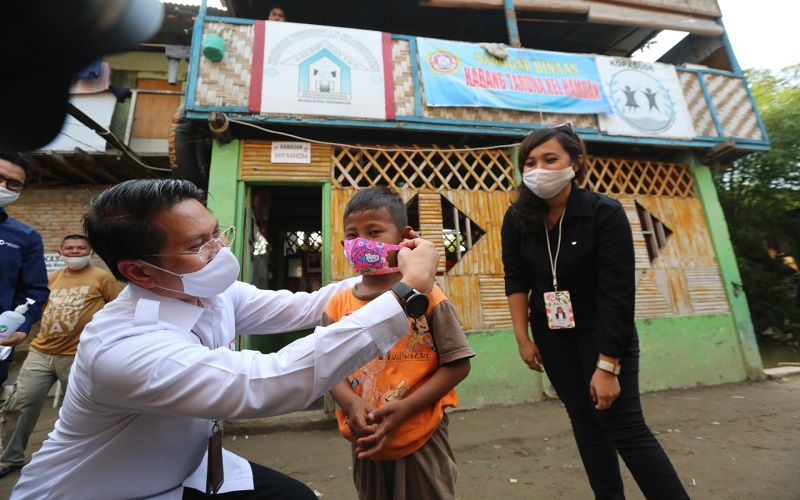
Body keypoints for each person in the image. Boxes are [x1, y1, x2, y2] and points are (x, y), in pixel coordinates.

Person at [10, 178, 438, 499]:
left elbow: (303, 306)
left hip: (184, 469)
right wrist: (408, 292)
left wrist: (387, 271)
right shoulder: (123, 347)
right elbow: (267, 381)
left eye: (216, 232)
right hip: (98, 491)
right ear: (138, 271)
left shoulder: (209, 293)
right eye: (199, 244)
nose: (219, 249)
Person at [501, 124, 689, 499]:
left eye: (550, 159)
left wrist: (608, 365)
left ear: (576, 163)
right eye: (530, 162)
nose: (539, 168)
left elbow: (617, 294)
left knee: (623, 426)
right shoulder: (518, 218)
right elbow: (516, 279)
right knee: (585, 424)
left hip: (601, 331)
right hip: (551, 333)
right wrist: (523, 338)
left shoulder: (604, 212)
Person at [325, 186, 474, 500]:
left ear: (403, 237)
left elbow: (458, 364)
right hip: (364, 440)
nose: (360, 242)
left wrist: (406, 408)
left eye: (374, 231)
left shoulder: (428, 296)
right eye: (351, 235)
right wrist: (351, 404)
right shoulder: (336, 306)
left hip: (422, 433)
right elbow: (328, 369)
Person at [0, 234, 123, 478]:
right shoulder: (49, 280)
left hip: (78, 355)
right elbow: (33, 311)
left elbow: (120, 309)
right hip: (41, 351)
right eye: (70, 248)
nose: (75, 251)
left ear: (91, 253)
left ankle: (81, 460)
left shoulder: (102, 278)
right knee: (20, 404)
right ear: (60, 252)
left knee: (80, 410)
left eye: (81, 248)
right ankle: (10, 458)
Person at [0, 153, 50, 389]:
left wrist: (22, 325)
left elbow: (35, 291)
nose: (3, 186)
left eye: (13, 184)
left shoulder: (25, 237)